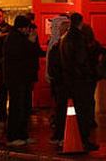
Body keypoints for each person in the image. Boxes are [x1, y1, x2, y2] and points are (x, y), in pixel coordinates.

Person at [60, 13, 99, 151]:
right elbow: (81, 60)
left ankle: (73, 137)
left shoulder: (65, 38)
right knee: (83, 111)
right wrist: (87, 74)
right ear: (80, 22)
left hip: (70, 79)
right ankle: (84, 139)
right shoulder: (78, 38)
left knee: (75, 110)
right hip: (80, 80)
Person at [3, 15, 37, 146]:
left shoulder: (19, 37)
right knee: (17, 107)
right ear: (22, 27)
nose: (29, 30)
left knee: (23, 107)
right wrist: (30, 42)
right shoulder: (14, 39)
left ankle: (22, 134)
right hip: (16, 79)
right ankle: (13, 136)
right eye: (27, 27)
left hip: (23, 78)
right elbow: (21, 55)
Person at [46, 15, 70, 145]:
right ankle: (61, 134)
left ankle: (59, 134)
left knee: (60, 108)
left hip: (58, 81)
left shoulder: (55, 44)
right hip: (61, 81)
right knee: (61, 108)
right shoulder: (58, 45)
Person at [0, 8, 11, 121]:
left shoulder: (7, 29)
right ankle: (0, 111)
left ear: (3, 16)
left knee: (2, 90)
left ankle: (2, 113)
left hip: (3, 64)